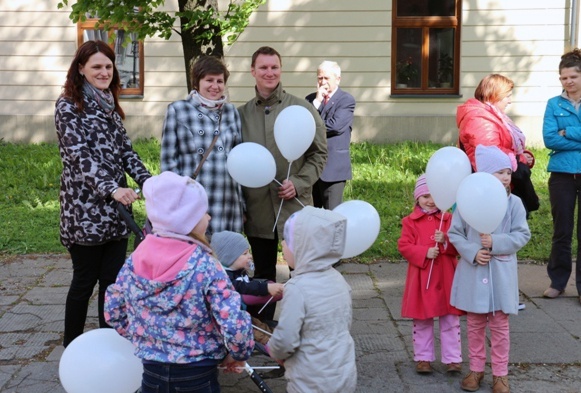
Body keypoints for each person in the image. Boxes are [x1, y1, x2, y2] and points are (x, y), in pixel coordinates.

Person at [104, 171, 254, 392]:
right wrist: (237, 353)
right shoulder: (207, 266)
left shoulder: (135, 261)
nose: (209, 217)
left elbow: (113, 310)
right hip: (198, 374)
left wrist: (144, 338)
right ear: (187, 220)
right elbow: (233, 322)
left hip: (152, 374)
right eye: (203, 213)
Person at [54, 40, 151, 348]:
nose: (104, 72)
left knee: (111, 283)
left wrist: (149, 182)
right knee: (84, 281)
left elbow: (125, 151)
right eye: (97, 66)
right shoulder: (68, 105)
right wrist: (111, 188)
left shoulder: (110, 104)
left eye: (108, 66)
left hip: (116, 210)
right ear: (80, 69)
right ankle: (72, 347)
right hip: (83, 211)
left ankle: (109, 345)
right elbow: (79, 156)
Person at [237, 46, 327, 319]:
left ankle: (303, 326)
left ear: (281, 69)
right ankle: (260, 331)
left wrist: (298, 183)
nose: (269, 72)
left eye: (274, 67)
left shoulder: (301, 109)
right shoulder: (240, 115)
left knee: (302, 272)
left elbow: (319, 154)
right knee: (262, 274)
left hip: (295, 209)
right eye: (263, 67)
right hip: (258, 209)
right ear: (253, 71)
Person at [448, 145, 531, 393]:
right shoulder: (465, 202)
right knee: (474, 325)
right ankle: (475, 369)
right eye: (499, 172)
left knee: (500, 327)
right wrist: (473, 251)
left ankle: (500, 374)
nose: (506, 177)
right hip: (474, 274)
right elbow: (455, 233)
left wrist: (497, 242)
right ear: (484, 174)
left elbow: (522, 234)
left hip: (500, 276)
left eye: (508, 172)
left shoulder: (514, 203)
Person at [266, 206, 356, 393]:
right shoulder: (338, 279)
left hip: (310, 379)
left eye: (288, 240)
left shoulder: (297, 288)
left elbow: (287, 338)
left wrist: (274, 350)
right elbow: (345, 320)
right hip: (342, 372)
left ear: (303, 247)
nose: (282, 244)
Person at [161, 55, 243, 235]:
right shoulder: (178, 110)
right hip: (193, 201)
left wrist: (242, 203)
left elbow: (240, 158)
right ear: (196, 83)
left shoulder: (231, 112)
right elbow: (168, 163)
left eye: (220, 81)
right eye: (209, 80)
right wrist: (176, 199)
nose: (215, 86)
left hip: (227, 200)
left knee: (227, 258)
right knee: (196, 257)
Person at [397, 174, 463, 375]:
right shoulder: (410, 221)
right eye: (425, 196)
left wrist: (444, 241)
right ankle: (423, 357)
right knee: (422, 318)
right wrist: (424, 252)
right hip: (422, 276)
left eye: (434, 195)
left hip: (445, 275)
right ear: (417, 198)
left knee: (450, 318)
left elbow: (458, 246)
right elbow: (404, 245)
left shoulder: (448, 219)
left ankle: (453, 358)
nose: (430, 200)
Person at [457, 74, 539, 217]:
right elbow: (492, 153)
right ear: (495, 95)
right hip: (491, 186)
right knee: (504, 231)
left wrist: (524, 155)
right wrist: (521, 158)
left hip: (501, 182)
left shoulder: (489, 115)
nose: (510, 101)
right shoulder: (479, 118)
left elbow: (507, 144)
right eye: (507, 96)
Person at [542, 48, 581, 303]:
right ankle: (557, 282)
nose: (568, 81)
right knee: (562, 231)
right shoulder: (553, 104)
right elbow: (549, 138)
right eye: (564, 77)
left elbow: (560, 136)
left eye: (573, 77)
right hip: (562, 175)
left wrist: (569, 132)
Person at [305, 60, 356, 210]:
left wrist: (311, 125)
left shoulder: (346, 100)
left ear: (338, 79)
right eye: (320, 78)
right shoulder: (310, 100)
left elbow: (334, 126)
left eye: (327, 78)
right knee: (310, 214)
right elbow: (302, 124)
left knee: (332, 215)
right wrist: (317, 102)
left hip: (333, 168)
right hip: (311, 167)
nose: (322, 82)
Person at [210, 230, 284, 321]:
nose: (250, 256)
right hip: (232, 317)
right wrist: (266, 288)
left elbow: (248, 281)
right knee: (251, 295)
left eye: (249, 252)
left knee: (268, 283)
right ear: (229, 258)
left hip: (245, 314)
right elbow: (243, 287)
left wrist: (268, 285)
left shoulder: (239, 270)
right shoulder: (223, 276)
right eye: (245, 254)